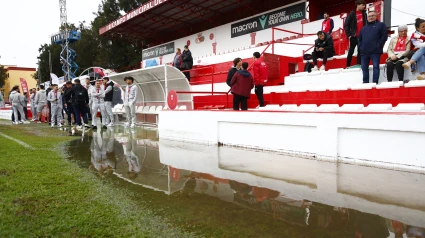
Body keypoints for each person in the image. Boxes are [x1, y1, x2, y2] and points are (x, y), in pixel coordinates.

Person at [358, 10, 388, 84]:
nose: (370, 17)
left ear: (376, 16)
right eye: (369, 16)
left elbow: (384, 36)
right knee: (364, 68)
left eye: (372, 16)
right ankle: (365, 83)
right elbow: (359, 39)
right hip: (364, 52)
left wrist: (378, 45)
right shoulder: (363, 28)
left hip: (375, 51)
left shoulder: (381, 25)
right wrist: (361, 47)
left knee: (376, 67)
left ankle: (375, 82)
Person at [344, 0, 367, 68]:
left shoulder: (364, 14)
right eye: (362, 5)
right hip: (354, 36)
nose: (364, 6)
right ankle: (348, 65)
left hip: (362, 36)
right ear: (358, 5)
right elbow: (346, 25)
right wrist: (349, 35)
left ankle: (359, 64)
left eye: (364, 5)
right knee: (351, 51)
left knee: (360, 50)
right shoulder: (352, 14)